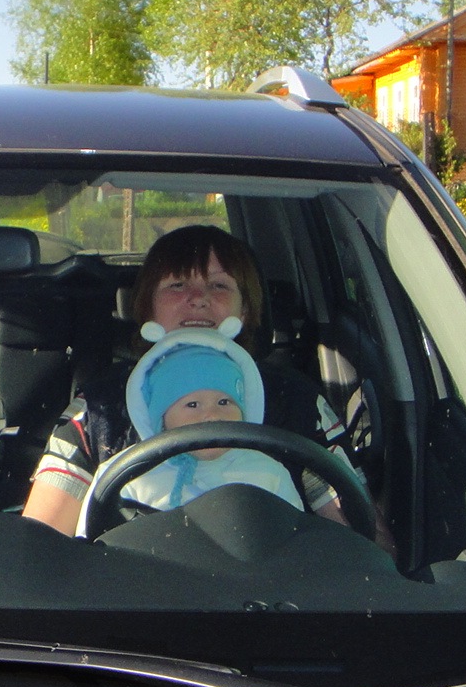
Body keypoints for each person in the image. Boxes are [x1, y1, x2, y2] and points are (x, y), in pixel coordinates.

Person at [23, 225, 357, 536]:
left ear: (244, 310)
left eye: (218, 285)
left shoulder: (296, 400)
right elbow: (41, 542)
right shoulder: (100, 408)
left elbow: (357, 541)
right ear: (148, 307)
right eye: (178, 285)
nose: (198, 297)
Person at [118, 320, 302, 514]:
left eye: (224, 402)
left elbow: (296, 531)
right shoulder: (129, 475)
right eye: (192, 405)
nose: (212, 416)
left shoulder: (268, 473)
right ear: (160, 418)